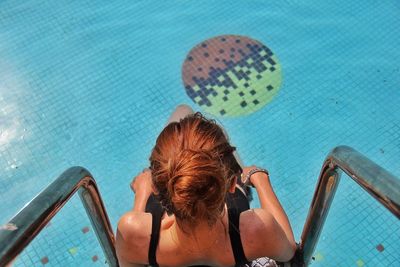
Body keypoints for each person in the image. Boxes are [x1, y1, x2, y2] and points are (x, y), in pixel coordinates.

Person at [116, 105, 296, 267]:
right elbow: (288, 248)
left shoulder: (132, 232)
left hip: (158, 239)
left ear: (155, 187)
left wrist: (141, 193)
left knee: (182, 111)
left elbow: (131, 256)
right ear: (233, 183)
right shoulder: (256, 230)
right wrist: (259, 177)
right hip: (234, 240)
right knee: (212, 131)